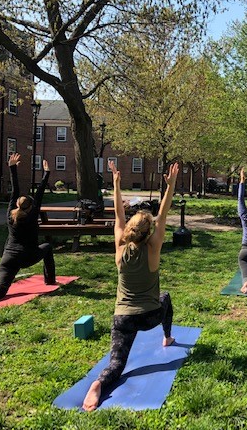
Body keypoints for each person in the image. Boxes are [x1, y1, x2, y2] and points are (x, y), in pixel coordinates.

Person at [82, 160, 180, 411]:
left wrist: (116, 184)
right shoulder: (153, 248)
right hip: (149, 316)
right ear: (149, 233)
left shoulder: (120, 250)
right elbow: (164, 213)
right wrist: (170, 186)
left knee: (116, 363)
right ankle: (167, 337)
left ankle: (99, 384)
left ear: (129, 232)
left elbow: (118, 215)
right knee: (165, 297)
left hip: (123, 319)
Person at [0, 153, 55, 307]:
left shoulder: (11, 213)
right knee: (48, 247)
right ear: (31, 207)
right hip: (27, 256)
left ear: (17, 204)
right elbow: (39, 193)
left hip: (8, 258)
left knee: (1, 289)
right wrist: (46, 173)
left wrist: (12, 168)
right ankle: (50, 280)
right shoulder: (32, 214)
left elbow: (15, 191)